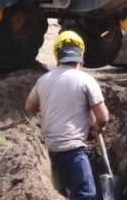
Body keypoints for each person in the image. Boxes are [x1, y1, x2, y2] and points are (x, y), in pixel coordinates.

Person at [25, 31, 110, 200]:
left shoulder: (44, 79)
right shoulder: (86, 80)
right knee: (87, 195)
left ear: (57, 59)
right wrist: (97, 126)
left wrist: (52, 106)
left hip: (49, 150)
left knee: (67, 192)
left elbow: (30, 106)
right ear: (82, 60)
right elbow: (103, 118)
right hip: (73, 151)